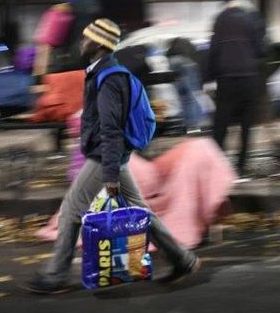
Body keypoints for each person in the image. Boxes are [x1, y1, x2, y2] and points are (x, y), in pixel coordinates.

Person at [23, 18, 200, 294]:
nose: (82, 42)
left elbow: (111, 129)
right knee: (140, 211)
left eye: (86, 38)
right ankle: (183, 260)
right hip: (110, 156)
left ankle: (55, 275)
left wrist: (109, 174)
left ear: (98, 43)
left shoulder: (109, 78)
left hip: (103, 157)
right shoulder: (100, 72)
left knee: (71, 209)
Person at [208, 0, 266, 177]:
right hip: (249, 77)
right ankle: (242, 164)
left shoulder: (220, 20)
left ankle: (217, 164)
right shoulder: (251, 19)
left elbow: (214, 50)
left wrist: (208, 77)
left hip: (226, 78)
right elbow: (261, 49)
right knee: (246, 124)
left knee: (221, 122)